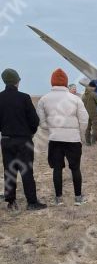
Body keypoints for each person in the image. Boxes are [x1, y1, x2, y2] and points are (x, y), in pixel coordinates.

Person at [37, 68, 89, 206]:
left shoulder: (44, 99)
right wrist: (80, 133)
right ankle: (78, 198)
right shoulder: (75, 99)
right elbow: (84, 119)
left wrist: (52, 129)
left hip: (55, 139)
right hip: (73, 139)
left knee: (57, 169)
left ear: (52, 82)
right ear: (66, 82)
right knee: (75, 168)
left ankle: (58, 199)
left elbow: (41, 122)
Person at [0, 68, 46, 211]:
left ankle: (11, 201)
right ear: (16, 81)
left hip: (6, 140)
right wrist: (30, 133)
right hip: (23, 140)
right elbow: (34, 120)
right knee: (26, 171)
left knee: (9, 171)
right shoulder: (24, 98)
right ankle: (32, 202)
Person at [82, 80, 97, 145]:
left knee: (87, 128)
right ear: (93, 87)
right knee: (94, 128)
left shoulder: (83, 95)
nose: (95, 89)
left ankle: (87, 142)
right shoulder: (93, 94)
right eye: (95, 88)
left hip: (86, 114)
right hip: (94, 114)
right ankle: (94, 141)